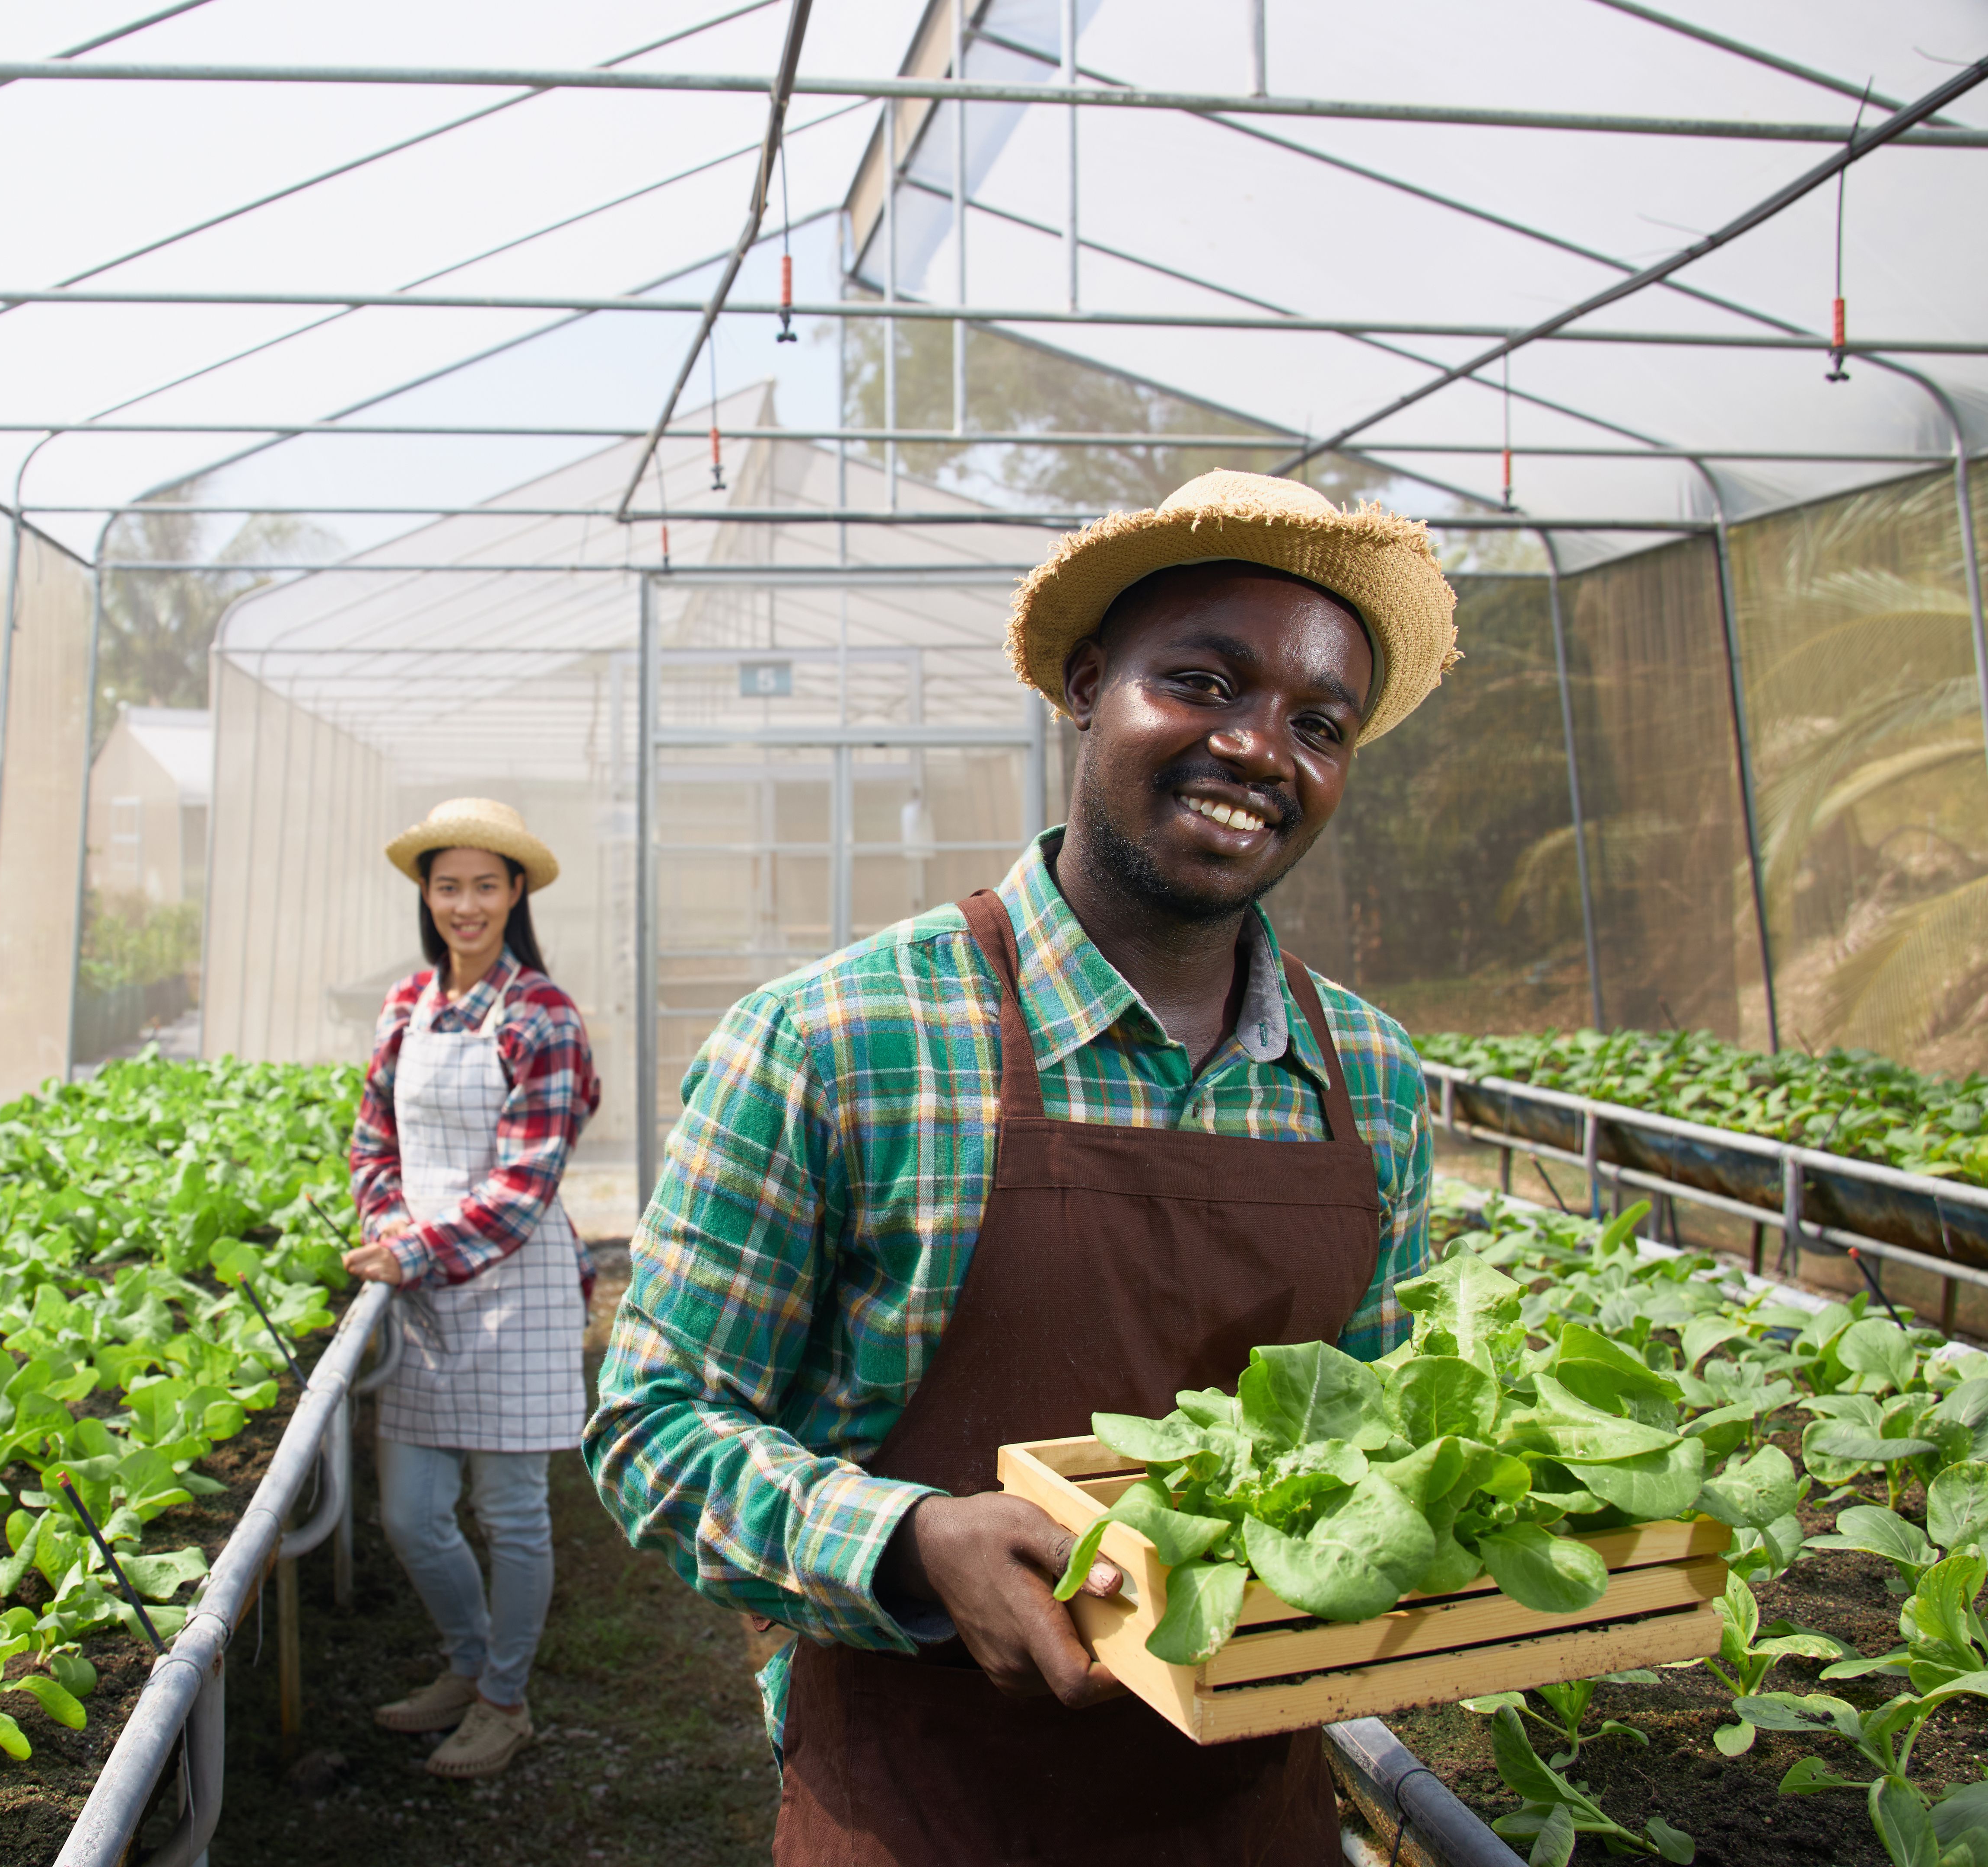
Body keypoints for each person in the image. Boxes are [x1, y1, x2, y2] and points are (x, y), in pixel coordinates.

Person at [585, 471, 1458, 1865]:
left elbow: (1376, 1431)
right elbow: (652, 1426)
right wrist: (910, 1544)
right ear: (1088, 685)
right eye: (1203, 683)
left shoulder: (1373, 1079)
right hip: (922, 1800)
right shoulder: (835, 1040)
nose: (1258, 749)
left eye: (1318, 724)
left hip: (1248, 1812)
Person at [344, 798, 601, 1781]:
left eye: (483, 886)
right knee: (409, 1511)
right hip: (422, 1279)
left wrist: (413, 1250)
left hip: (514, 1287)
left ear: (514, 894)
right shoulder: (407, 1003)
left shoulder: (541, 1015)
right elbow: (375, 1138)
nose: (464, 904)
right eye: (446, 885)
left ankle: (504, 1697)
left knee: (510, 1514)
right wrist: (384, 1224)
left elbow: (524, 1183)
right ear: (425, 893)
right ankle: (464, 1663)